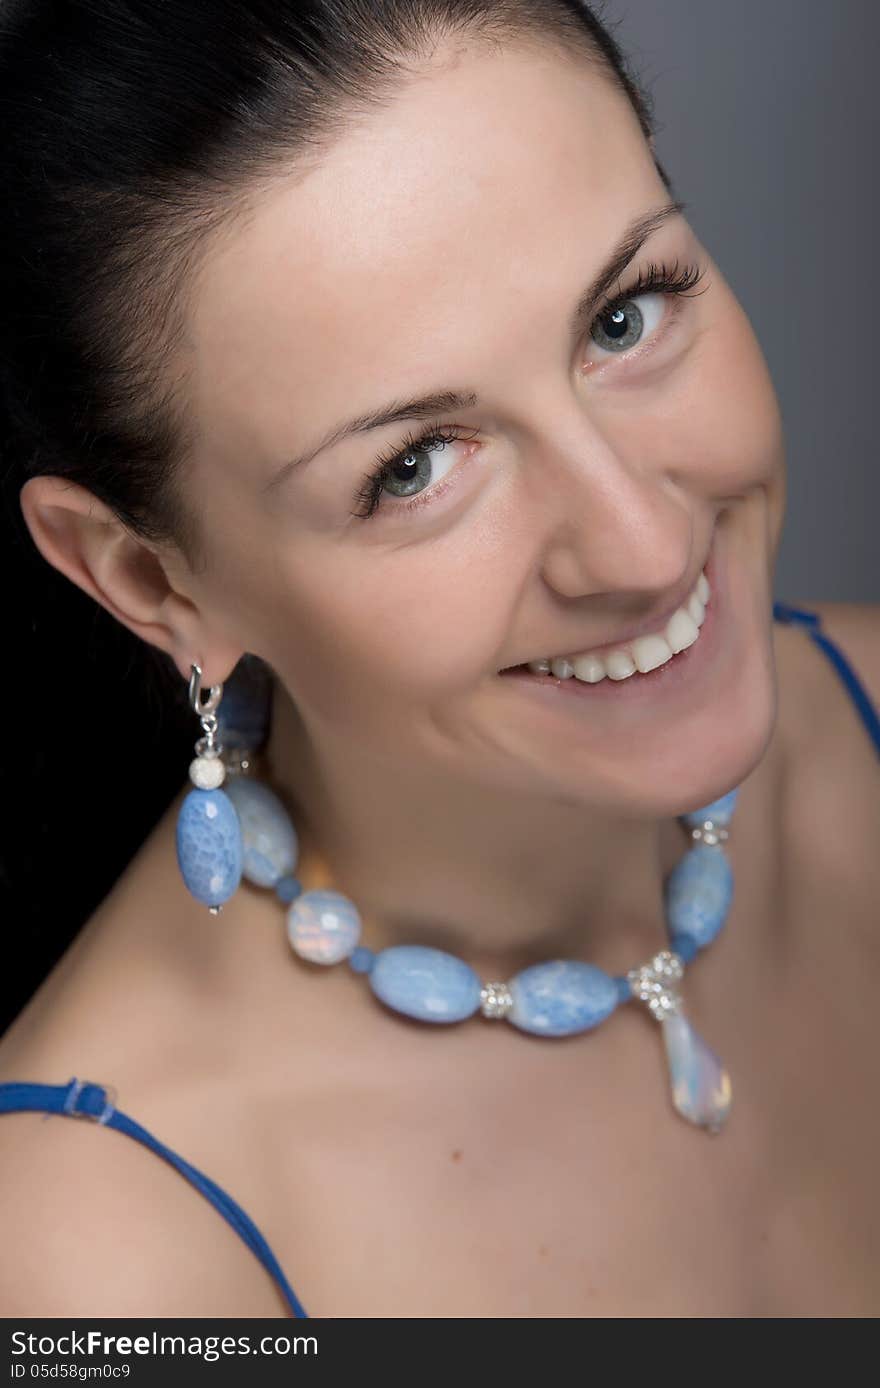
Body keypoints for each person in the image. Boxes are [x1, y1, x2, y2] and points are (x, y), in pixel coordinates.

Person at [0, 0, 878, 1319]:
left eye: (628, 316)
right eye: (412, 469)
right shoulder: (102, 1272)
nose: (641, 546)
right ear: (149, 579)